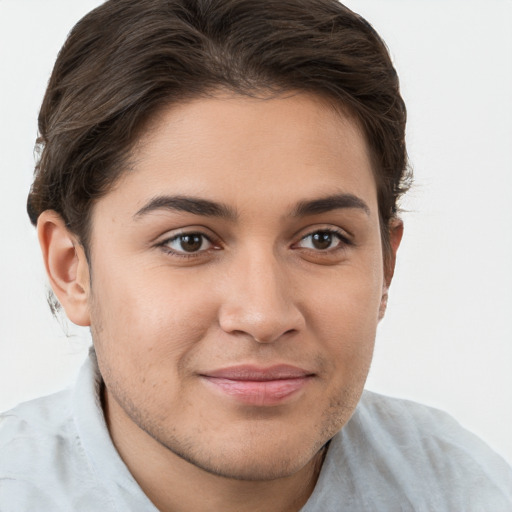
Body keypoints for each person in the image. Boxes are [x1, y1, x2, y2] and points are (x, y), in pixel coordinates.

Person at [0, 0, 511, 510]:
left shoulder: (471, 492)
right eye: (189, 241)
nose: (264, 316)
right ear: (72, 270)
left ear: (386, 267)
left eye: (322, 239)